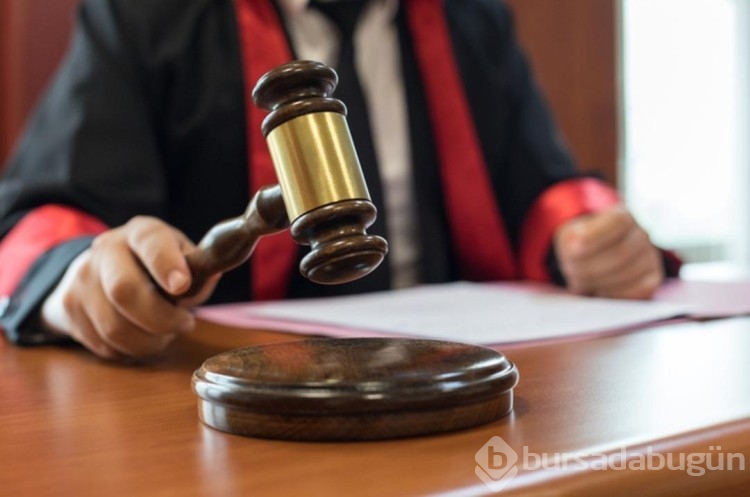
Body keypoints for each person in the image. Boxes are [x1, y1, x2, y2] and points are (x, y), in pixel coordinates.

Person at [0, 0, 680, 360]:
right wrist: (85, 281)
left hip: (445, 383)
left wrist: (587, 238)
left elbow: (541, 192)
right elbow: (48, 220)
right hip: (234, 409)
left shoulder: (471, 16)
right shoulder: (147, 13)